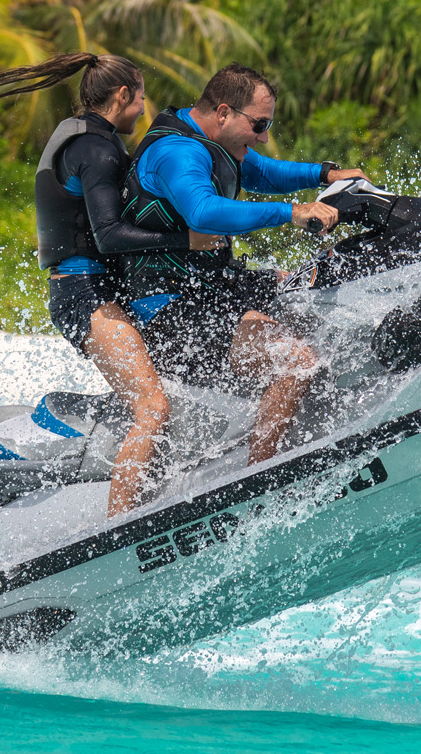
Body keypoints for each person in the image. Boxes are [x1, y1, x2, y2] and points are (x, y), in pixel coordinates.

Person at [0, 52, 222, 518]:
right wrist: (189, 238)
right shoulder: (97, 151)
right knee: (152, 406)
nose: (143, 110)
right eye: (141, 99)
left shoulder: (85, 138)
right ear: (123, 95)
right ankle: (118, 528)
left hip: (99, 291)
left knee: (171, 392)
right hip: (85, 296)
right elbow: (110, 235)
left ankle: (155, 493)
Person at [121, 64, 363, 465]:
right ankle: (259, 478)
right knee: (295, 362)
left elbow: (264, 173)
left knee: (306, 288)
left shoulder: (213, 140)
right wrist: (291, 213)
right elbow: (202, 211)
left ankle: (331, 411)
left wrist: (326, 173)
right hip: (169, 312)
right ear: (223, 112)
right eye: (259, 125)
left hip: (211, 289)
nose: (264, 136)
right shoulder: (177, 152)